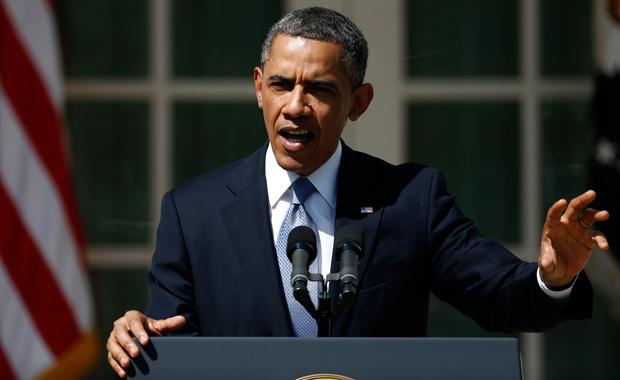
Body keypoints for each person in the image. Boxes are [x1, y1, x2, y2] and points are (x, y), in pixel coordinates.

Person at [107, 7, 610, 378]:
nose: (296, 106)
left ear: (359, 101)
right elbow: (174, 346)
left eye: (321, 89)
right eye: (282, 85)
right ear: (259, 87)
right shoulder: (193, 212)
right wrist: (137, 339)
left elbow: (501, 297)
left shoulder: (411, 199)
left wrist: (552, 278)